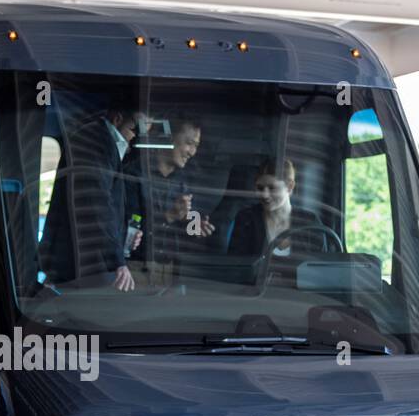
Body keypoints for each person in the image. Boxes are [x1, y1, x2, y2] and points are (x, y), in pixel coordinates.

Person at [38, 102, 146, 292]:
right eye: (134, 129)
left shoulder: (106, 144)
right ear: (118, 118)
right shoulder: (95, 141)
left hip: (84, 261)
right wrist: (117, 261)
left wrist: (124, 233)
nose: (136, 137)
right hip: (81, 264)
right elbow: (96, 204)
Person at [127, 115, 213, 274]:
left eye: (196, 146)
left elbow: (186, 231)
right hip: (134, 273)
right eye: (189, 143)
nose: (192, 152)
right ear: (168, 138)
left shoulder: (186, 182)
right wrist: (169, 216)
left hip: (170, 274)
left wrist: (194, 227)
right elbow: (127, 232)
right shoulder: (135, 175)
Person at [226, 157, 324, 260]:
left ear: (290, 186)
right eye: (260, 188)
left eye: (272, 188)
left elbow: (322, 268)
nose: (265, 195)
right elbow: (236, 265)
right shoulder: (246, 218)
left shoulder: (310, 222)